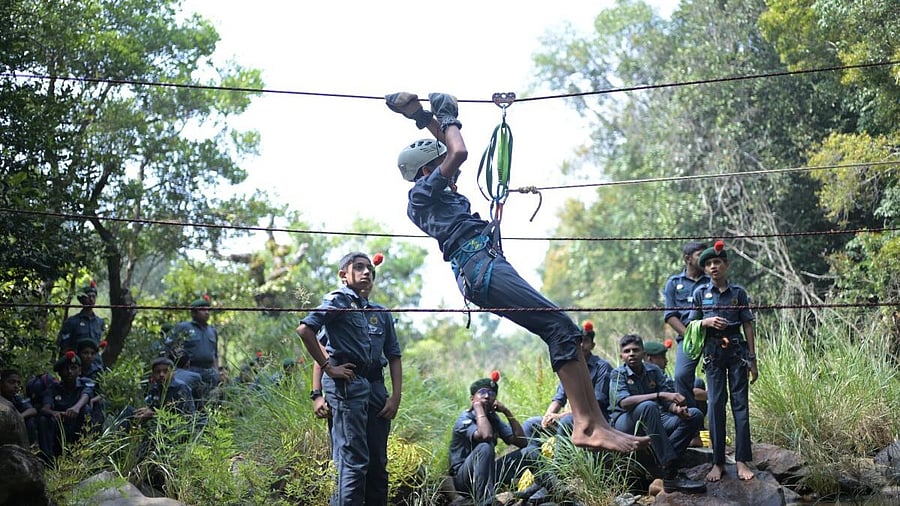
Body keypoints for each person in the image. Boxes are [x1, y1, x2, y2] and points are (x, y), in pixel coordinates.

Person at [386, 91, 647, 454]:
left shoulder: (433, 190)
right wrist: (447, 115)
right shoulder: (420, 196)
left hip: (486, 263)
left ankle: (596, 423)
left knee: (566, 331)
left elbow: (448, 151)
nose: (454, 169)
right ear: (428, 170)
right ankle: (586, 426)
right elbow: (457, 150)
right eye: (441, 164)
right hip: (480, 268)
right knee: (558, 326)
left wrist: (418, 114)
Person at [297, 252, 402, 505]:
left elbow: (394, 356)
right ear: (343, 275)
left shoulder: (380, 313)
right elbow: (306, 331)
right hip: (347, 386)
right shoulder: (337, 301)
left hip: (376, 388)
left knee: (378, 461)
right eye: (359, 267)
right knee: (352, 460)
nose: (367, 272)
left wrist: (395, 397)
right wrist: (322, 382)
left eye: (370, 269)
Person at [688, 240, 758, 482]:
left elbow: (748, 325)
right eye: (708, 264)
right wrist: (706, 322)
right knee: (716, 406)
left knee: (740, 406)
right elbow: (691, 324)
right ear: (705, 269)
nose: (713, 267)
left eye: (717, 262)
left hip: (737, 353)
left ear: (725, 265)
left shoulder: (738, 293)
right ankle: (717, 462)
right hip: (712, 354)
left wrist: (753, 359)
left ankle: (741, 460)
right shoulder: (699, 293)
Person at [609, 334, 706, 494]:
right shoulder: (618, 374)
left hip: (654, 419)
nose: (631, 353)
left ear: (643, 353)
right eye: (627, 351)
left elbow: (667, 400)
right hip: (626, 423)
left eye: (635, 350)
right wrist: (659, 395)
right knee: (648, 406)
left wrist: (676, 410)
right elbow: (624, 402)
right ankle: (671, 468)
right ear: (622, 355)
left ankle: (666, 470)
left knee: (694, 414)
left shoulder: (653, 370)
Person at [448, 373, 542, 506]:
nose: (487, 396)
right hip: (464, 480)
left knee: (530, 451)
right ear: (472, 398)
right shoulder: (464, 419)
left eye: (492, 394)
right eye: (482, 393)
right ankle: (485, 501)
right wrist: (478, 408)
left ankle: (548, 487)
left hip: (488, 474)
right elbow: (485, 435)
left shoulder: (493, 418)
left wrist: (507, 411)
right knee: (485, 446)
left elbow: (521, 442)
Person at [522, 320, 612, 450]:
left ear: (592, 345)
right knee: (530, 424)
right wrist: (548, 416)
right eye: (577, 341)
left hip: (595, 419)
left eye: (585, 341)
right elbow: (559, 397)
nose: (580, 345)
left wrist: (559, 416)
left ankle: (557, 468)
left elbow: (597, 402)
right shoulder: (571, 366)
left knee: (566, 421)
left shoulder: (602, 367)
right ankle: (537, 463)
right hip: (571, 416)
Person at [662, 242, 709, 412]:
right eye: (700, 255)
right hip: (687, 338)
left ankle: (716, 426)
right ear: (688, 259)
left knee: (714, 378)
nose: (705, 259)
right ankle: (692, 426)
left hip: (711, 337)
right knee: (681, 377)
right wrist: (691, 335)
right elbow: (670, 315)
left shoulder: (711, 280)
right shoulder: (674, 283)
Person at [165, 294, 220, 409]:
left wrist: (217, 372)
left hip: (209, 372)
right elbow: (169, 347)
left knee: (210, 402)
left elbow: (215, 354)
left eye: (208, 309)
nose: (207, 312)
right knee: (188, 401)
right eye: (202, 310)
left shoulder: (212, 331)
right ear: (194, 313)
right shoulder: (184, 327)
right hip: (189, 370)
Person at [38, 351, 95, 461]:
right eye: (66, 369)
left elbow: (87, 394)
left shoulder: (85, 383)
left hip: (77, 431)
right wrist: (54, 413)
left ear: (79, 371)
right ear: (59, 373)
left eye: (73, 368)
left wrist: (76, 408)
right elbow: (45, 408)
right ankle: (47, 458)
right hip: (59, 432)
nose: (69, 372)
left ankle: (85, 454)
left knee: (86, 410)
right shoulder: (53, 388)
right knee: (43, 419)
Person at [133, 357, 196, 422]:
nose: (161, 374)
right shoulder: (155, 387)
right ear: (153, 374)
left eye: (165, 371)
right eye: (158, 372)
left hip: (174, 425)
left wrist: (153, 414)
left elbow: (188, 415)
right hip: (156, 422)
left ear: (173, 372)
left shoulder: (181, 388)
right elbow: (150, 405)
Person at [58, 280, 106, 355]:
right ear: (81, 300)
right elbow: (64, 346)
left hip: (95, 363)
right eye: (88, 297)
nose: (91, 299)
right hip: (77, 362)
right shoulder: (72, 321)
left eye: (93, 296)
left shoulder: (100, 322)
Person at [1, 369, 39, 444]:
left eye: (18, 383)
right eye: (12, 382)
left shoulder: (15, 398)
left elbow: (33, 410)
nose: (16, 386)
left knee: (30, 420)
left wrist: (19, 417)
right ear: (1, 383)